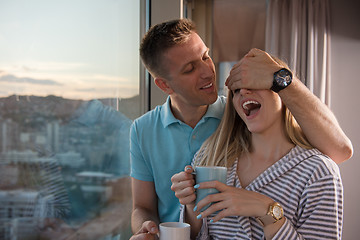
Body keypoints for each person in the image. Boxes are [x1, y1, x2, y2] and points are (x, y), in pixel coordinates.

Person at [130, 18, 351, 239]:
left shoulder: (314, 170)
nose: (208, 71)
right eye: (189, 69)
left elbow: (340, 151)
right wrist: (155, 224)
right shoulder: (203, 151)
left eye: (206, 56)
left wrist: (268, 211)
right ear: (164, 85)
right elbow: (146, 208)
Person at [171, 57, 343, 239]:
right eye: (236, 90)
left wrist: (269, 212)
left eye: (254, 83)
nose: (243, 91)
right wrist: (190, 205)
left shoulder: (318, 172)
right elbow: (195, 234)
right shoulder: (209, 156)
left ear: (283, 92)